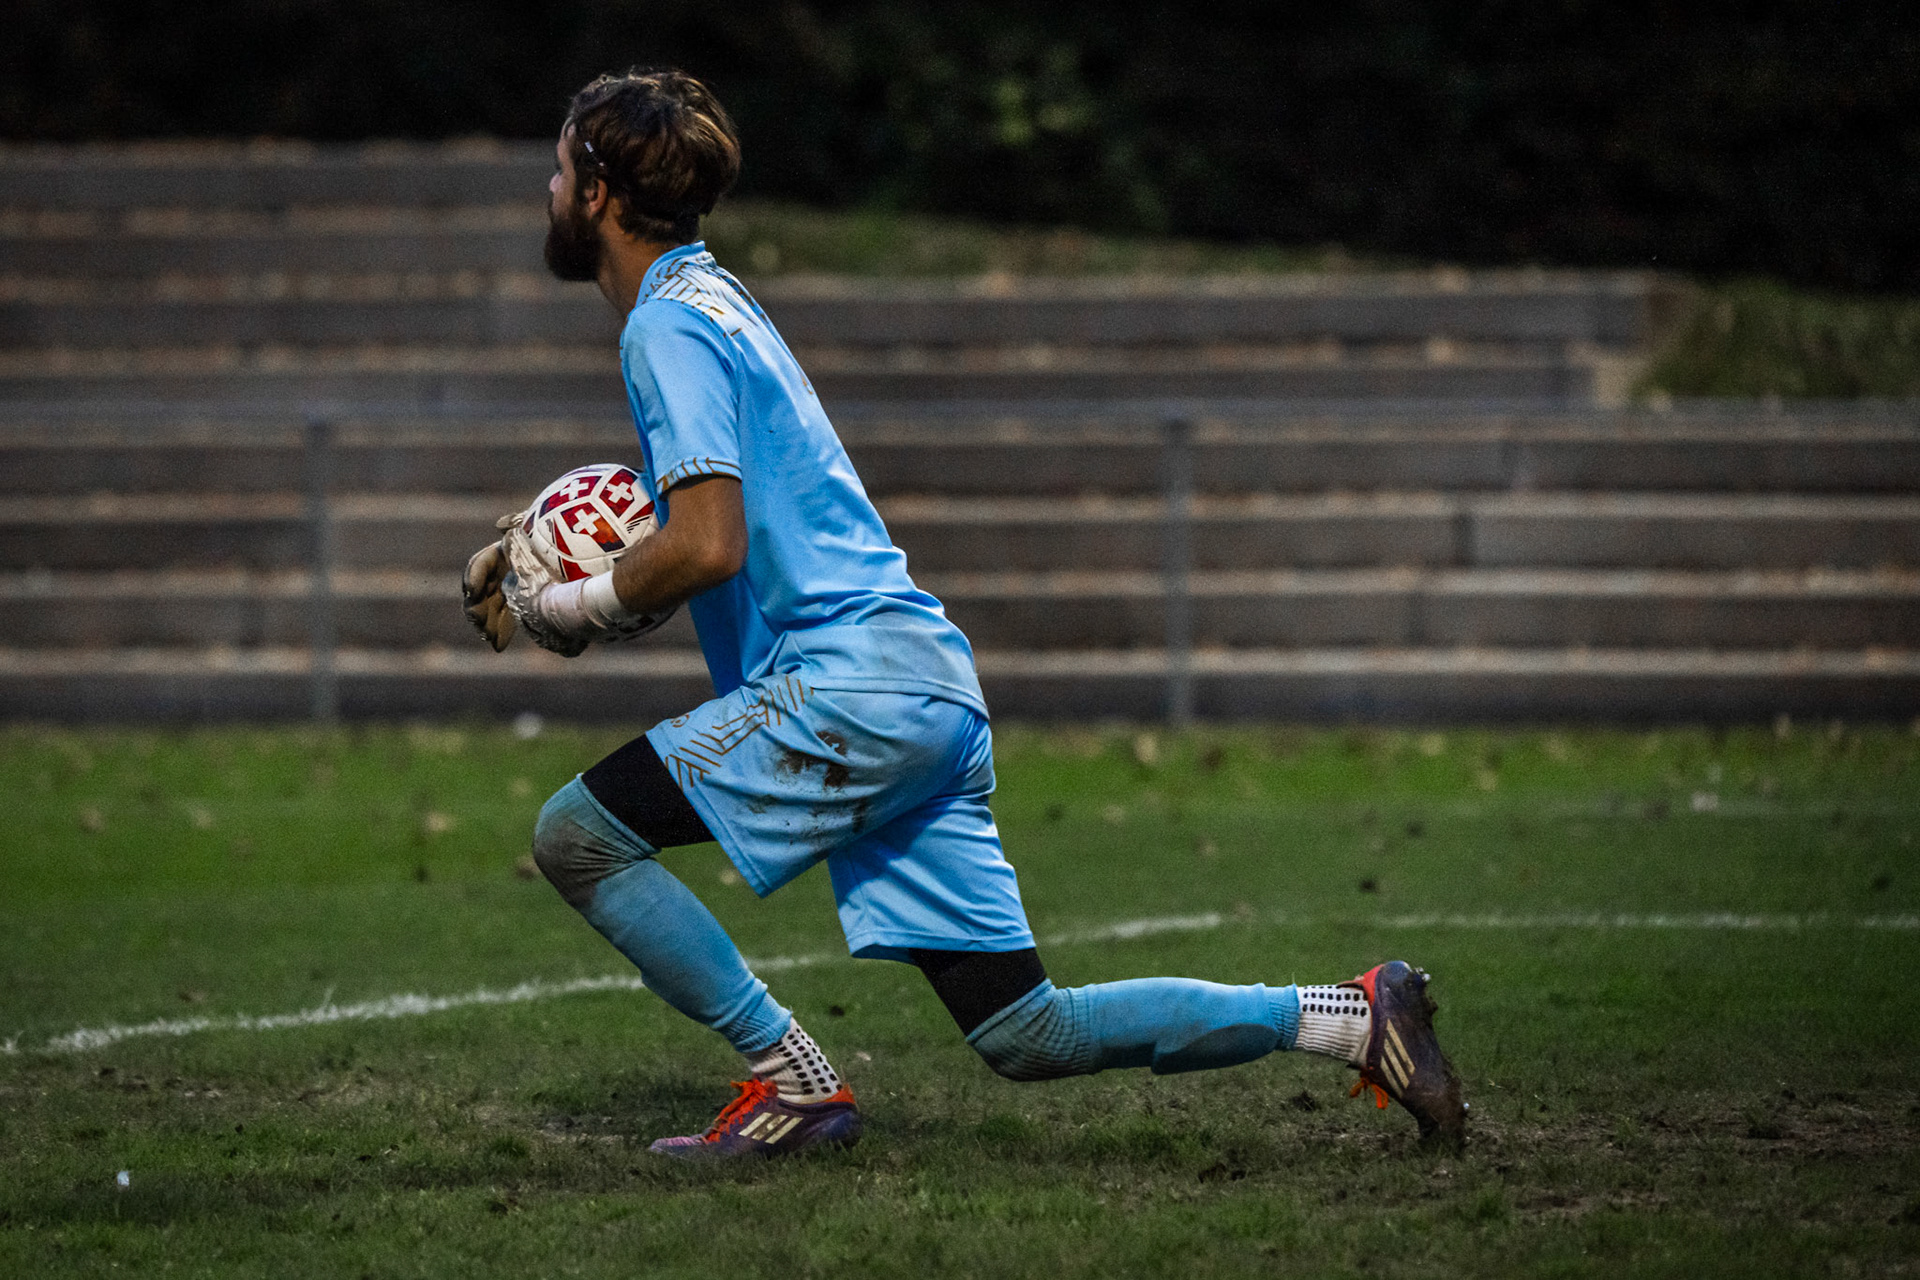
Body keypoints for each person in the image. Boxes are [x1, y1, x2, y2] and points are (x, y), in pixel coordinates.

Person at [462, 67, 1466, 1160]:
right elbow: (713, 505)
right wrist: (529, 551)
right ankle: (1353, 1014)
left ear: (600, 193)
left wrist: (572, 605)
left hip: (848, 688)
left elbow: (710, 541)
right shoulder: (714, 295)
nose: (549, 190)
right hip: (921, 680)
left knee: (578, 834)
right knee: (1027, 1027)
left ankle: (793, 1079)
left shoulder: (662, 327)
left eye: (561, 170)